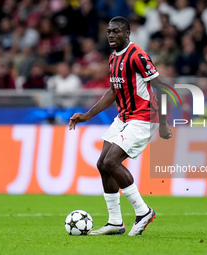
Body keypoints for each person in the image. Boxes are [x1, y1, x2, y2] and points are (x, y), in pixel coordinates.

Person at [69, 16, 172, 236]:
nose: (111, 35)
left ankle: (143, 211)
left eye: (116, 31)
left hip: (144, 116)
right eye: (108, 31)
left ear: (127, 33)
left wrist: (163, 123)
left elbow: (161, 88)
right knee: (102, 163)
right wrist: (87, 115)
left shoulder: (138, 56)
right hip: (124, 116)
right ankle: (115, 222)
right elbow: (113, 91)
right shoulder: (113, 58)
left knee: (111, 160)